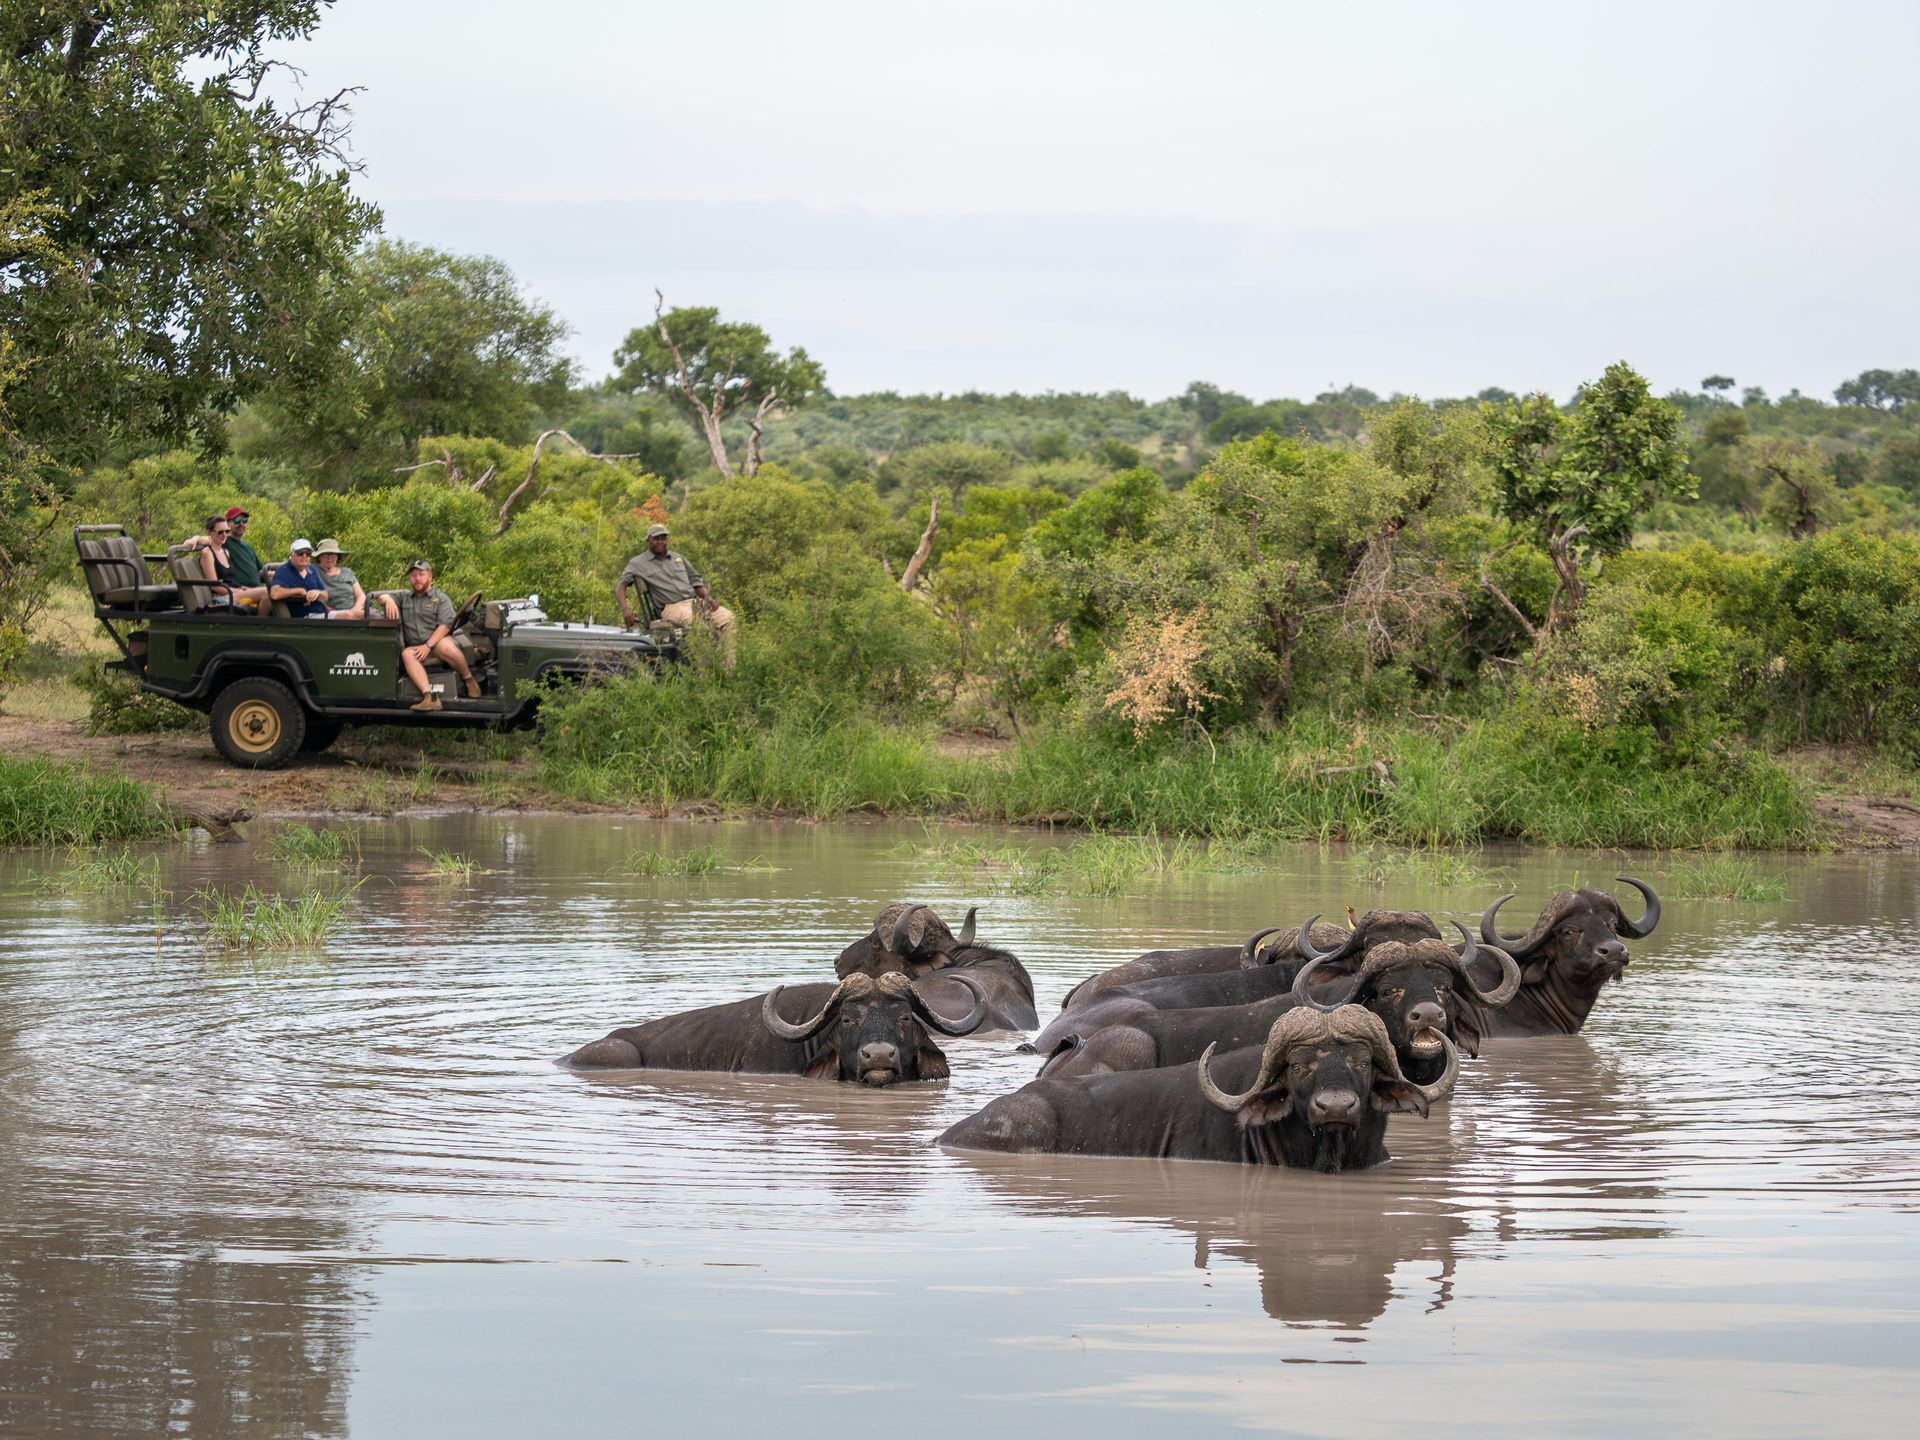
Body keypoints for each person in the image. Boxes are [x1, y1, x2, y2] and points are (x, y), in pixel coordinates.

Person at [378, 558, 481, 711]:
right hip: (418, 649)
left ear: (430, 577)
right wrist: (387, 599)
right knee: (407, 654)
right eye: (413, 575)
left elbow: (445, 626)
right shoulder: (404, 597)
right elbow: (377, 596)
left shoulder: (440, 598)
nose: (417, 578)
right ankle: (429, 697)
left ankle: (468, 678)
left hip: (437, 643)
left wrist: (428, 645)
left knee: (445, 646)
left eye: (421, 574)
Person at [616, 523, 735, 640]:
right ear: (648, 540)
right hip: (672, 607)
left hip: (695, 603)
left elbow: (696, 582)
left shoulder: (678, 558)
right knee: (698, 625)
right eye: (656, 539)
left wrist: (708, 599)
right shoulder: (638, 562)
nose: (660, 542)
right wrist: (625, 610)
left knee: (729, 619)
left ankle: (726, 659)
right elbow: (621, 586)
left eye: (663, 538)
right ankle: (702, 658)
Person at [178, 513, 269, 613]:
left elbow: (231, 580)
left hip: (234, 592)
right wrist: (238, 591)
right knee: (267, 592)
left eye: (227, 531)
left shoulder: (226, 552)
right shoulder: (208, 554)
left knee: (268, 597)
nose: (224, 535)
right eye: (220, 532)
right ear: (210, 533)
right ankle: (259, 626)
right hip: (223, 596)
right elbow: (215, 586)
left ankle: (259, 625)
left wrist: (243, 589)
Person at [269, 539, 331, 619]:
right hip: (305, 617)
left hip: (322, 614)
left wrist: (317, 592)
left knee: (349, 615)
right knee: (347, 617)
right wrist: (299, 591)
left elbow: (325, 595)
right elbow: (275, 593)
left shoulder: (312, 569)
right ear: (292, 554)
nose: (304, 556)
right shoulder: (284, 570)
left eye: (308, 553)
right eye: (300, 553)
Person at [313, 539, 365, 619]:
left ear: (338, 557)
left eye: (333, 555)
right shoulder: (313, 571)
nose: (329, 558)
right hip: (333, 613)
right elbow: (309, 593)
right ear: (319, 557)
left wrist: (356, 608)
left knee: (383, 617)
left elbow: (360, 595)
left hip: (356, 610)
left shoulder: (347, 572)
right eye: (326, 555)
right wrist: (325, 608)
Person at [223, 506, 264, 589]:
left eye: (244, 521)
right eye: (237, 521)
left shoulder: (247, 546)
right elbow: (210, 539)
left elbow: (259, 571)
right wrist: (196, 538)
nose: (241, 524)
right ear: (227, 524)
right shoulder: (224, 541)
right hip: (240, 590)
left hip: (256, 589)